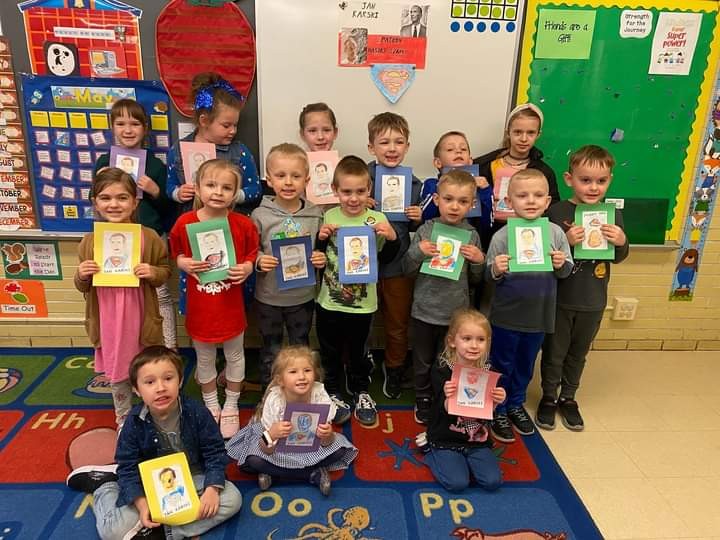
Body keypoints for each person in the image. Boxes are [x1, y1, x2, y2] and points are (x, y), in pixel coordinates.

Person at [66, 346, 242, 540]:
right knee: (112, 533)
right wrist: (142, 504)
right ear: (137, 390)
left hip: (192, 478)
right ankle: (106, 487)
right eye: (149, 382)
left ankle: (164, 533)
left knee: (232, 499)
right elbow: (128, 466)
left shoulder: (197, 412)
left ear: (180, 381)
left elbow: (215, 452)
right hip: (150, 485)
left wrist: (212, 489)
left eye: (168, 378)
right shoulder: (133, 422)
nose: (160, 388)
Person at [537, 145, 629, 431]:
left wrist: (622, 240)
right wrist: (565, 240)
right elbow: (542, 256)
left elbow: (620, 256)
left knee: (579, 352)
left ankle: (569, 397)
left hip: (593, 300)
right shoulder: (556, 212)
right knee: (554, 351)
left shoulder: (612, 214)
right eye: (585, 180)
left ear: (609, 180)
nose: (593, 187)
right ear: (569, 179)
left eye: (601, 181)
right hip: (561, 299)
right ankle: (549, 397)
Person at [75, 168, 170, 430]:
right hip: (108, 319)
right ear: (95, 202)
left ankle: (155, 417)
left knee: (148, 367)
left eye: (122, 198)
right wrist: (82, 275)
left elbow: (164, 272)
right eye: (105, 198)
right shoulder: (89, 241)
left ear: (134, 201)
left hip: (140, 316)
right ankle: (124, 421)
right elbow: (82, 285)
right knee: (118, 372)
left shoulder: (148, 237)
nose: (114, 204)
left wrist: (152, 272)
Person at [169, 159, 259, 439]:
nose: (218, 192)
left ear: (236, 193)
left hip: (230, 304)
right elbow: (176, 251)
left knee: (235, 354)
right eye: (210, 185)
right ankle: (211, 403)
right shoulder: (185, 222)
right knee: (204, 356)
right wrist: (183, 262)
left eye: (226, 187)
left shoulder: (243, 224)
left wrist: (247, 267)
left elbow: (251, 254)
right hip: (201, 306)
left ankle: (231, 403)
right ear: (197, 188)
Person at [485, 168, 573, 443]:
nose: (531, 201)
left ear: (548, 201)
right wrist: (496, 269)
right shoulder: (501, 236)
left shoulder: (555, 233)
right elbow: (489, 274)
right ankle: (498, 408)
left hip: (539, 316)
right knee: (501, 363)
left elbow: (566, 270)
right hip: (506, 316)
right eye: (522, 196)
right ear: (509, 202)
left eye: (538, 195)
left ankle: (515, 404)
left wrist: (562, 264)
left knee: (525, 364)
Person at [315, 155, 400, 425]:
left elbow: (386, 260)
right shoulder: (328, 216)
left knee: (358, 350)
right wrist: (320, 240)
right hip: (330, 300)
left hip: (364, 303)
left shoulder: (377, 219)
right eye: (347, 192)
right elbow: (319, 259)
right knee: (329, 349)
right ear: (335, 191)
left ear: (369, 190)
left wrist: (392, 237)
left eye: (360, 191)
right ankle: (332, 391)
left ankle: (361, 389)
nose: (353, 198)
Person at [403, 170, 485, 424]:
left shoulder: (471, 235)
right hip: (424, 311)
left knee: (448, 362)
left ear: (471, 205)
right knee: (422, 360)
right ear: (437, 200)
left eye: (462, 201)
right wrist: (418, 251)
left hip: (455, 316)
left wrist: (479, 261)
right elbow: (406, 269)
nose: (454, 206)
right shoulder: (427, 230)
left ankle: (443, 396)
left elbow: (475, 279)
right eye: (448, 199)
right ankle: (423, 397)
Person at [96, 98, 177, 350]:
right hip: (115, 238)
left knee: (160, 294)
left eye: (134, 123)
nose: (128, 130)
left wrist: (155, 191)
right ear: (112, 128)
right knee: (122, 295)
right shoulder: (103, 163)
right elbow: (98, 204)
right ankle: (127, 348)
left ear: (145, 129)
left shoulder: (155, 165)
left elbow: (169, 209)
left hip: (151, 235)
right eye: (120, 123)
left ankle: (168, 348)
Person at [226, 346, 357, 495]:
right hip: (278, 449)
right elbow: (265, 448)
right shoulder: (275, 400)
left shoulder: (319, 395)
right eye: (293, 372)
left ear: (315, 374)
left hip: (311, 447)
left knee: (340, 450)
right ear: (280, 380)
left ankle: (274, 474)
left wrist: (328, 435)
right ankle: (312, 474)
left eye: (307, 370)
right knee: (253, 460)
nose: (301, 376)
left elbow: (327, 442)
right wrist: (272, 434)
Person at [251, 143, 326, 388]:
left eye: (295, 176)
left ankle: (302, 393)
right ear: (269, 179)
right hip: (269, 297)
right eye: (280, 176)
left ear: (307, 179)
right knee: (271, 350)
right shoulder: (260, 215)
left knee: (300, 348)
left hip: (302, 297)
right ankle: (269, 394)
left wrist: (319, 257)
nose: (288, 182)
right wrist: (260, 260)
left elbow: (321, 250)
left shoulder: (315, 214)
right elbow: (250, 251)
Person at [367, 112, 422, 401]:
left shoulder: (415, 183)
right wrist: (358, 202)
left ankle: (395, 367)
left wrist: (416, 218)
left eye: (399, 142)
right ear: (371, 147)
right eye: (384, 142)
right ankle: (360, 366)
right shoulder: (361, 176)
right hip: (363, 261)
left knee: (397, 322)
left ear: (407, 146)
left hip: (398, 263)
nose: (391, 148)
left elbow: (421, 228)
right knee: (360, 319)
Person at [424, 309, 506, 492]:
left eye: (480, 339)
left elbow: (488, 409)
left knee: (493, 482)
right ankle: (432, 453)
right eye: (467, 339)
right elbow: (441, 408)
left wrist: (498, 399)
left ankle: (465, 461)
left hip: (477, 439)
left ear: (488, 343)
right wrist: (447, 395)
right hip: (446, 438)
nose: (474, 345)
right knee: (457, 484)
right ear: (452, 341)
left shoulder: (488, 370)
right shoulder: (442, 370)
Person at [166, 72, 260, 215]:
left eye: (235, 125)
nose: (233, 131)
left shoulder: (239, 151)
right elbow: (169, 186)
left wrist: (234, 194)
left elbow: (255, 189)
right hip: (192, 222)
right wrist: (177, 193)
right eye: (226, 125)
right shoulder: (178, 149)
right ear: (204, 121)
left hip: (228, 222)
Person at [472, 103, 560, 252]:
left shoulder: (544, 171)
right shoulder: (485, 164)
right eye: (518, 132)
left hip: (526, 236)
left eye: (530, 133)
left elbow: (552, 207)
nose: (524, 138)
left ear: (538, 134)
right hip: (487, 234)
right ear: (508, 132)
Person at [420, 131, 492, 230]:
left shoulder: (479, 187)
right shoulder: (431, 184)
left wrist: (486, 191)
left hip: (470, 240)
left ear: (470, 161)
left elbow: (487, 226)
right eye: (450, 149)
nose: (459, 152)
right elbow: (426, 218)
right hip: (436, 239)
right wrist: (439, 187)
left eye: (463, 149)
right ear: (438, 162)